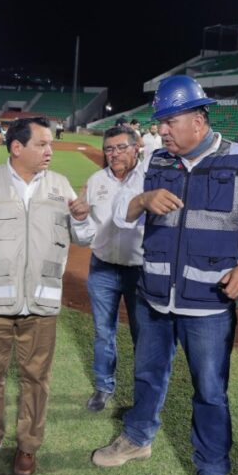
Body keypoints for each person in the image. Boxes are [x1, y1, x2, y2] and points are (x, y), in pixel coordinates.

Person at [91, 75, 238, 475]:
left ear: (198, 120)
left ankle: (213, 474)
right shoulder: (156, 159)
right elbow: (121, 212)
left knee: (211, 391)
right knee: (147, 375)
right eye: (160, 123)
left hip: (209, 304)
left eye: (169, 121)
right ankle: (138, 438)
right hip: (154, 296)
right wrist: (142, 198)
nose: (160, 131)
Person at [0, 116, 94, 475]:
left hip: (41, 305)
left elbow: (85, 237)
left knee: (36, 378)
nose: (50, 151)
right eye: (42, 144)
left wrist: (84, 218)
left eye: (51, 144)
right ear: (17, 147)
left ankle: (28, 445)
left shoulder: (60, 186)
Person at [82, 125, 144, 412]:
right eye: (109, 148)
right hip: (103, 268)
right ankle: (103, 387)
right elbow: (83, 226)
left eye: (121, 147)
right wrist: (79, 218)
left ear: (136, 148)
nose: (114, 153)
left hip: (140, 270)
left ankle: (141, 397)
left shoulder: (150, 178)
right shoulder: (96, 180)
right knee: (103, 332)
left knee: (142, 335)